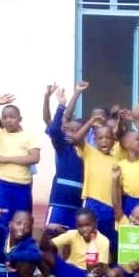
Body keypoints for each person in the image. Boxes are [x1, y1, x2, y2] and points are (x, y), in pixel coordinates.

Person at [0, 94, 40, 227]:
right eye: (4, 117)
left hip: (22, 186)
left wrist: (5, 159)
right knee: (0, 221)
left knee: (22, 223)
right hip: (1, 184)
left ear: (20, 119)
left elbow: (34, 158)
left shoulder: (29, 136)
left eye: (12, 117)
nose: (8, 120)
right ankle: (1, 242)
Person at [40, 209, 111, 277]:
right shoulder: (72, 234)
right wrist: (48, 230)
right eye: (80, 226)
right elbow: (44, 247)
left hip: (87, 274)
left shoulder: (103, 241)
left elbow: (103, 268)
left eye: (87, 225)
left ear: (95, 223)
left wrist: (98, 271)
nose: (84, 229)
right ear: (76, 226)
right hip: (70, 270)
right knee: (41, 255)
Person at [74, 115, 120, 255]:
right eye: (100, 138)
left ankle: (107, 266)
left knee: (109, 241)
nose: (104, 140)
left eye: (108, 137)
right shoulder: (89, 152)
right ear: (94, 139)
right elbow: (76, 139)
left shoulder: (117, 159)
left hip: (111, 207)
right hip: (92, 203)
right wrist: (90, 122)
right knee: (91, 240)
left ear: (114, 140)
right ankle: (89, 265)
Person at [44, 82, 85, 230]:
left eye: (75, 131)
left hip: (78, 202)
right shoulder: (62, 147)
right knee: (51, 233)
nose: (70, 134)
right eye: (68, 130)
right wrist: (61, 105)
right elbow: (54, 129)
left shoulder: (88, 152)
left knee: (73, 236)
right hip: (59, 200)